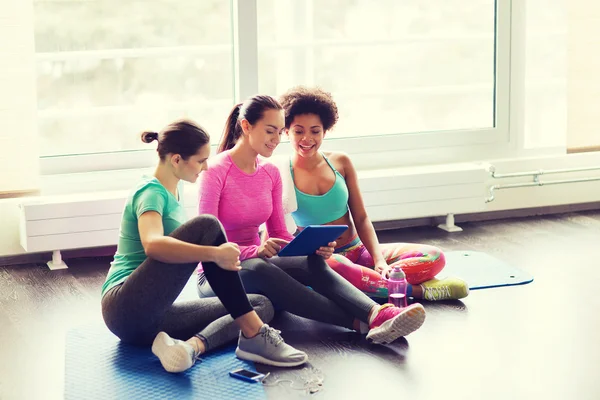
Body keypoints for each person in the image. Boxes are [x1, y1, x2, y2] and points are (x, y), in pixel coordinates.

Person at [196, 94, 426, 345]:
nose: (276, 141)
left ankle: (377, 313)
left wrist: (311, 247)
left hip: (258, 263)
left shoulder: (270, 172)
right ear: (246, 126)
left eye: (279, 133)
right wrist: (256, 250)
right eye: (270, 132)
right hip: (218, 274)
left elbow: (279, 233)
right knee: (261, 266)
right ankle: (360, 323)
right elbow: (207, 244)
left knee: (311, 261)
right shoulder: (215, 172)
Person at [100, 119, 308, 374]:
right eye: (200, 160)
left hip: (150, 320)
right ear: (176, 160)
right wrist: (214, 253)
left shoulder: (173, 191)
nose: (206, 166)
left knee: (259, 305)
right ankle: (256, 335)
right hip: (124, 307)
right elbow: (152, 245)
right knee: (208, 225)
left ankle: (189, 349)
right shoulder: (150, 192)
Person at [277, 86, 469, 301]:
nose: (307, 139)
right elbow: (280, 229)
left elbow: (361, 217)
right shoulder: (281, 173)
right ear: (286, 131)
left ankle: (368, 284)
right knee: (337, 270)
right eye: (298, 131)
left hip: (359, 249)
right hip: (324, 260)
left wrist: (379, 260)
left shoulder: (341, 162)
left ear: (325, 130)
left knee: (434, 256)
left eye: (315, 131)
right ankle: (422, 291)